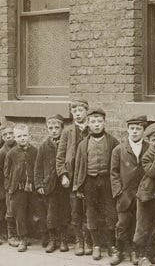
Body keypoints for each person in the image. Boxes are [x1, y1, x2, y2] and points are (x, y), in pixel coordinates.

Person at [73, 108, 120, 261]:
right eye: (93, 122)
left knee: (110, 212)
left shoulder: (113, 142)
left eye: (99, 121)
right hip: (90, 182)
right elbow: (78, 166)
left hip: (107, 181)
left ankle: (112, 245)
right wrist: (79, 186)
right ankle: (96, 245)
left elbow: (117, 166)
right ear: (88, 123)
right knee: (91, 212)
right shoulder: (83, 144)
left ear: (104, 123)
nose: (96, 124)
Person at [110, 115, 148, 266]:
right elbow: (113, 173)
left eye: (138, 129)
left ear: (143, 131)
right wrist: (118, 191)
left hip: (141, 194)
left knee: (139, 224)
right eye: (132, 128)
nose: (135, 132)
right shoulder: (119, 150)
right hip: (124, 194)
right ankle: (119, 251)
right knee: (122, 223)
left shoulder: (149, 148)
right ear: (127, 129)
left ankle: (135, 251)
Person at [56, 98, 92, 256]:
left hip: (90, 177)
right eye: (74, 111)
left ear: (86, 112)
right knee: (75, 210)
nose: (77, 114)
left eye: (80, 111)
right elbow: (60, 156)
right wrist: (63, 174)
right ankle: (79, 241)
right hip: (72, 178)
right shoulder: (67, 131)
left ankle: (89, 240)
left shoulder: (93, 129)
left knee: (89, 210)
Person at [133, 122, 155, 266]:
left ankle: (152, 254)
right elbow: (152, 172)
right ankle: (141, 256)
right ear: (149, 140)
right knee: (143, 227)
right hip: (146, 196)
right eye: (154, 140)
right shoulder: (147, 155)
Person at [35, 114, 69, 253]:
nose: (54, 130)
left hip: (64, 185)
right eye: (51, 128)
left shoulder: (66, 144)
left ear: (62, 128)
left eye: (56, 127)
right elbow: (38, 167)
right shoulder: (44, 145)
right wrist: (39, 184)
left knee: (64, 213)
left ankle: (63, 240)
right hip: (49, 186)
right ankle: (53, 240)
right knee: (51, 214)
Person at [4, 123, 38, 252]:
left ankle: (33, 235)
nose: (22, 138)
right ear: (15, 137)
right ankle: (22, 239)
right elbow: (6, 172)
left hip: (32, 188)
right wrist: (10, 188)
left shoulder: (35, 151)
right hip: (17, 189)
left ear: (29, 136)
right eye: (19, 136)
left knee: (32, 212)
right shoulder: (11, 153)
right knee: (20, 215)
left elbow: (37, 168)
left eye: (24, 135)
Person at [0, 121, 17, 246]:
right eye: (5, 135)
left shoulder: (20, 146)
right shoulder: (2, 152)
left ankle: (18, 234)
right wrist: (3, 182)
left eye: (11, 133)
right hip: (7, 186)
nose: (9, 136)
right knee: (8, 210)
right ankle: (9, 236)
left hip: (19, 186)